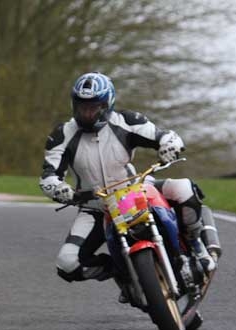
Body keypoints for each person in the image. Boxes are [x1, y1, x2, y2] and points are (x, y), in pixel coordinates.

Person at [39, 72, 217, 293]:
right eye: (82, 106)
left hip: (133, 193)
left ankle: (196, 245)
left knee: (183, 188)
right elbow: (49, 175)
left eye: (94, 106)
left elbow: (163, 135)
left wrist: (168, 145)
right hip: (95, 207)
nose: (87, 112)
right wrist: (58, 188)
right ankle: (122, 273)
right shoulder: (61, 135)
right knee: (67, 263)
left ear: (107, 104)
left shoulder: (126, 121)